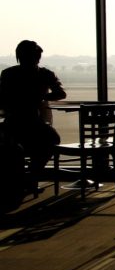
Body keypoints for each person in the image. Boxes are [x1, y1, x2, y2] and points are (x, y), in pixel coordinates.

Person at [0, 40, 66, 194]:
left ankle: (19, 178)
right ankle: (32, 175)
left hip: (13, 123)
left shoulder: (8, 74)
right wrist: (42, 97)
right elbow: (61, 93)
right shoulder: (45, 74)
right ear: (38, 57)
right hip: (35, 123)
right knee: (52, 140)